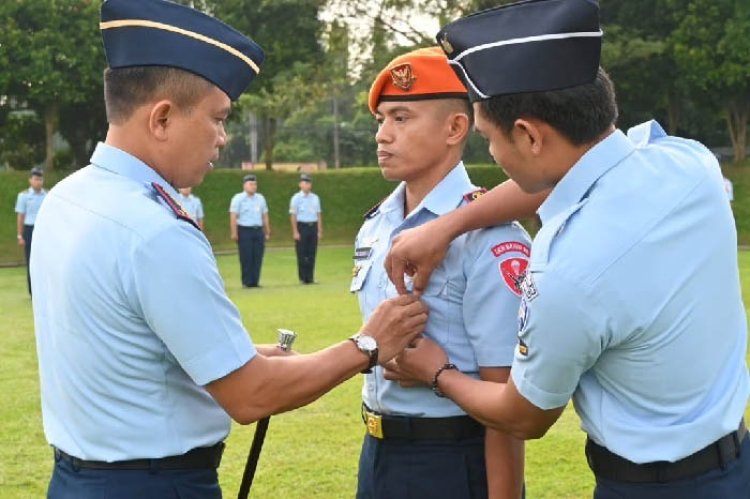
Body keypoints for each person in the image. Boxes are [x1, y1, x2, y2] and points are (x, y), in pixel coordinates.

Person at [29, 1, 428, 497]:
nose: (222, 139)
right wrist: (366, 345)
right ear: (162, 118)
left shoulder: (69, 198)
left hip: (75, 479)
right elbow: (250, 395)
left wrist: (228, 356)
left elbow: (120, 347)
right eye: (218, 119)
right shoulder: (156, 231)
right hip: (153, 484)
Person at [387, 1, 750, 498]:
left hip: (648, 488)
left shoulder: (568, 272)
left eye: (490, 138)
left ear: (529, 135)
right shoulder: (688, 165)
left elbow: (524, 415)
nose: (491, 154)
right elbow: (574, 176)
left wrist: (436, 371)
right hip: (737, 465)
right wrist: (448, 226)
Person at [353, 47, 528, 499]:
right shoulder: (377, 225)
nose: (383, 135)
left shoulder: (488, 238)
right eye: (381, 121)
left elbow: (507, 403)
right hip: (377, 453)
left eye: (402, 118)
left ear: (455, 127)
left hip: (451, 460)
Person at [230, 174, 270, 287]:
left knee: (258, 256)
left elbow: (265, 215)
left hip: (258, 230)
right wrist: (234, 232)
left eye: (255, 184)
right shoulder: (238, 199)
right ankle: (246, 281)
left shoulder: (260, 198)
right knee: (246, 256)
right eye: (251, 184)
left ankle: (255, 281)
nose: (253, 186)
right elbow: (233, 216)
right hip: (244, 230)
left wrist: (267, 230)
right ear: (244, 185)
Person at [15, 167, 46, 296]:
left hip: (44, 230)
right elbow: (21, 216)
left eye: (40, 179)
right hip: (30, 229)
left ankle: (45, 290)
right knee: (31, 260)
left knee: (45, 260)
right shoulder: (24, 196)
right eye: (36, 179)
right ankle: (33, 291)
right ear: (30, 180)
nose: (38, 182)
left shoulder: (47, 195)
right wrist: (20, 235)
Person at [289, 173, 322, 284]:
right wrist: (295, 231)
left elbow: (318, 215)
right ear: (300, 185)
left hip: (313, 226)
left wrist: (319, 230)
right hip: (301, 226)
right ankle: (303, 278)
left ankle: (310, 277)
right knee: (302, 253)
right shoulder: (296, 198)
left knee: (312, 253)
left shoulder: (315, 198)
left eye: (309, 183)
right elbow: (293, 215)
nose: (307, 185)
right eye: (305, 183)